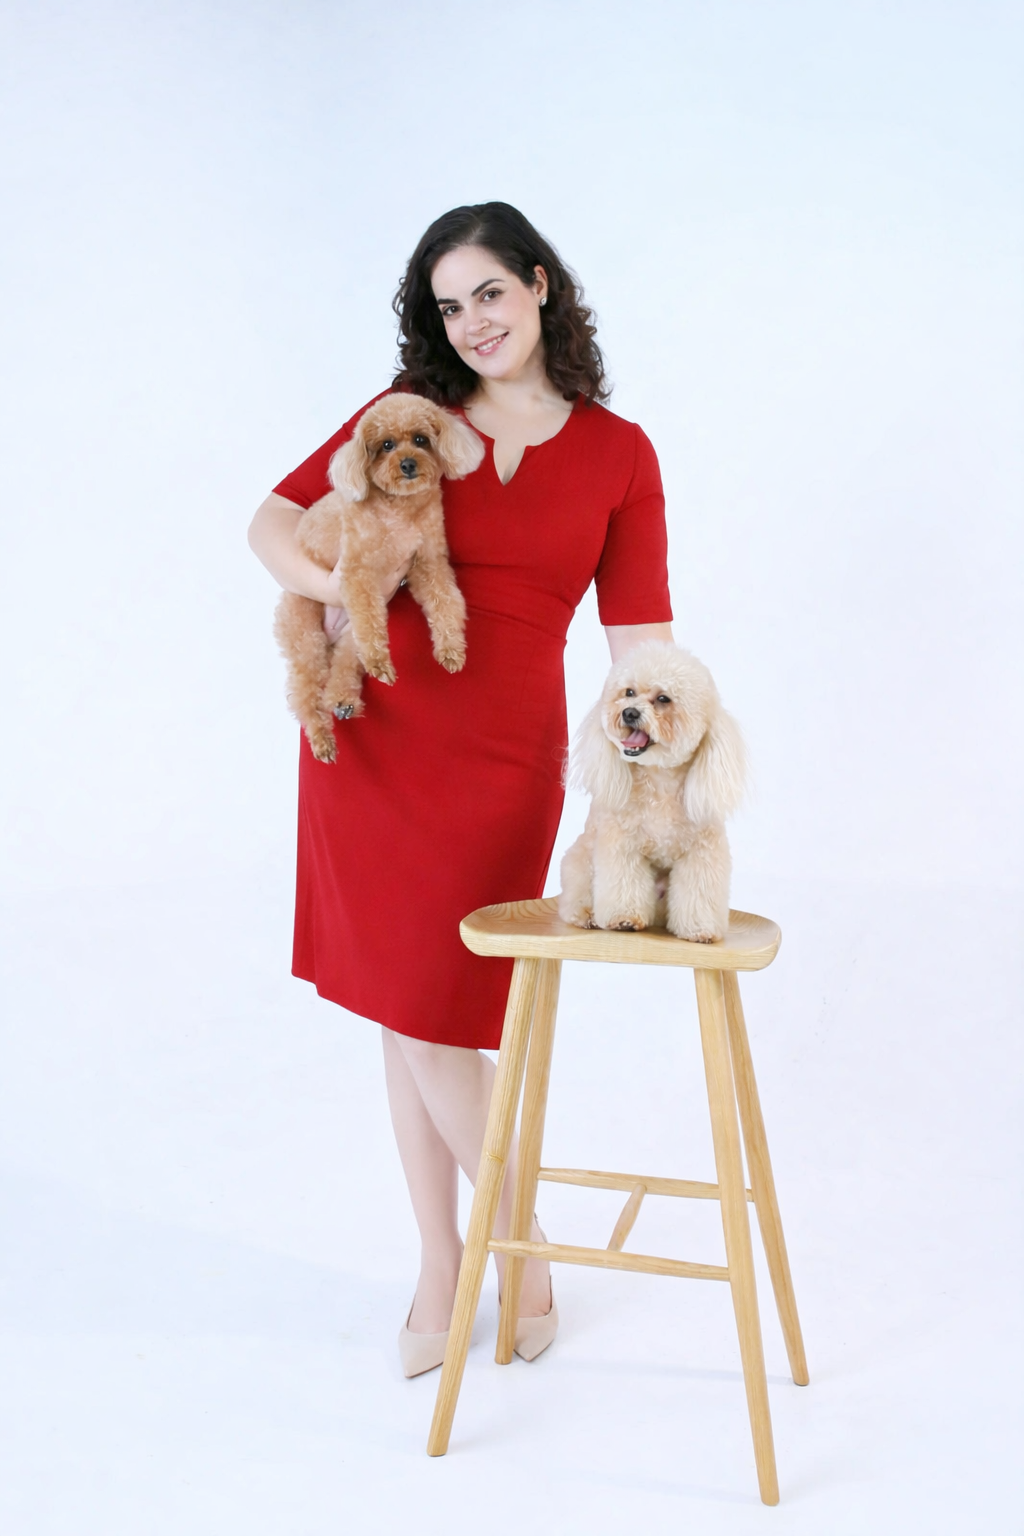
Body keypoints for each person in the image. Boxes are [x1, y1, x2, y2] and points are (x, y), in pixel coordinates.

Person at [248, 203, 674, 1376]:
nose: (472, 322)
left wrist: (642, 782)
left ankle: (499, 1250)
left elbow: (638, 639)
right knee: (405, 1009)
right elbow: (270, 522)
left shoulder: (620, 451)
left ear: (539, 285)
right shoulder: (410, 419)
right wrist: (339, 586)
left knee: (441, 1010)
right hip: (372, 732)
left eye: (488, 291)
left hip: (503, 762)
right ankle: (468, 1259)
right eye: (449, 305)